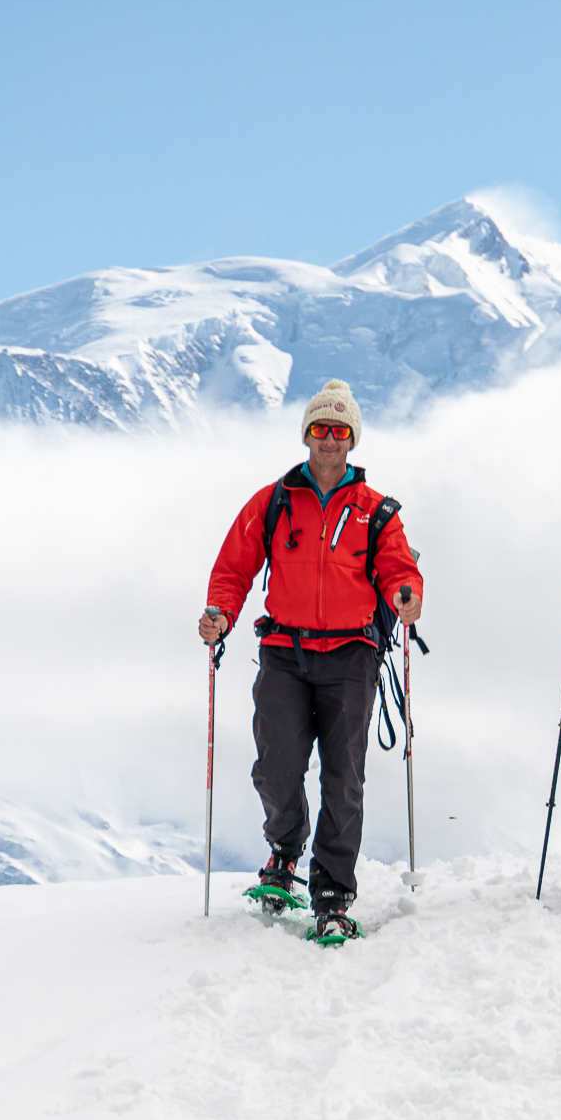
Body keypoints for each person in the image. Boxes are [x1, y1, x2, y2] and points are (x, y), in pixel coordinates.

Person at [199, 381, 424, 940]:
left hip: (352, 654)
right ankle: (284, 851)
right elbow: (234, 566)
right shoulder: (274, 501)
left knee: (344, 779)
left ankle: (332, 893)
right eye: (320, 429)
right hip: (284, 651)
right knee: (275, 769)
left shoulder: (377, 510)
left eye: (340, 430)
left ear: (352, 439)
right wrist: (220, 613)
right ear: (306, 436)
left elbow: (399, 569)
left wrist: (406, 593)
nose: (329, 439)